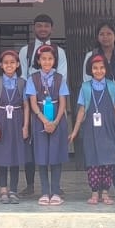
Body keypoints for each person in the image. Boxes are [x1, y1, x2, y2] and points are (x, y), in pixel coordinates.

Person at [82, 23, 115, 199]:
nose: (105, 37)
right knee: (100, 144)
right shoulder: (91, 56)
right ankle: (101, 186)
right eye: (102, 34)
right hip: (97, 105)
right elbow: (86, 81)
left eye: (109, 33)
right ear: (97, 37)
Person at [17, 13, 65, 197]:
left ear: (51, 28)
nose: (43, 29)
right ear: (34, 28)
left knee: (55, 147)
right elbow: (22, 76)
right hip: (32, 104)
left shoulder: (59, 52)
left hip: (54, 104)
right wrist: (28, 102)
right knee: (32, 145)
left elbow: (62, 76)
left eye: (46, 26)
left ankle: (55, 187)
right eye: (39, 26)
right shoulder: (26, 50)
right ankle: (30, 184)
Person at [70, 54, 115, 206]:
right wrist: (74, 131)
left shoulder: (112, 86)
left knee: (108, 162)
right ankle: (94, 192)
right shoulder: (85, 87)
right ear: (90, 69)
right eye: (95, 68)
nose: (98, 71)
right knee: (92, 160)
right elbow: (81, 110)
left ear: (106, 69)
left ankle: (105, 192)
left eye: (102, 68)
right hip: (91, 130)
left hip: (108, 129)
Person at [27, 45, 70, 206]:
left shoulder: (60, 78)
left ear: (54, 61)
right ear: (38, 61)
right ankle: (45, 192)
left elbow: (63, 102)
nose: (47, 62)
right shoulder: (33, 78)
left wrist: (55, 122)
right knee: (42, 156)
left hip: (57, 120)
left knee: (56, 156)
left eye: (50, 59)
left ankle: (56, 192)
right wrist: (44, 120)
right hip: (40, 120)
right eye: (43, 59)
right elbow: (33, 102)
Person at [0, 50, 29, 205]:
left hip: (17, 121)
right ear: (1, 65)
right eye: (6, 62)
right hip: (1, 121)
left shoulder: (22, 83)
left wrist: (25, 126)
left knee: (15, 156)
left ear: (17, 64)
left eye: (12, 62)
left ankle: (13, 190)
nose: (9, 65)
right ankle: (3, 189)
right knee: (2, 156)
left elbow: (26, 105)